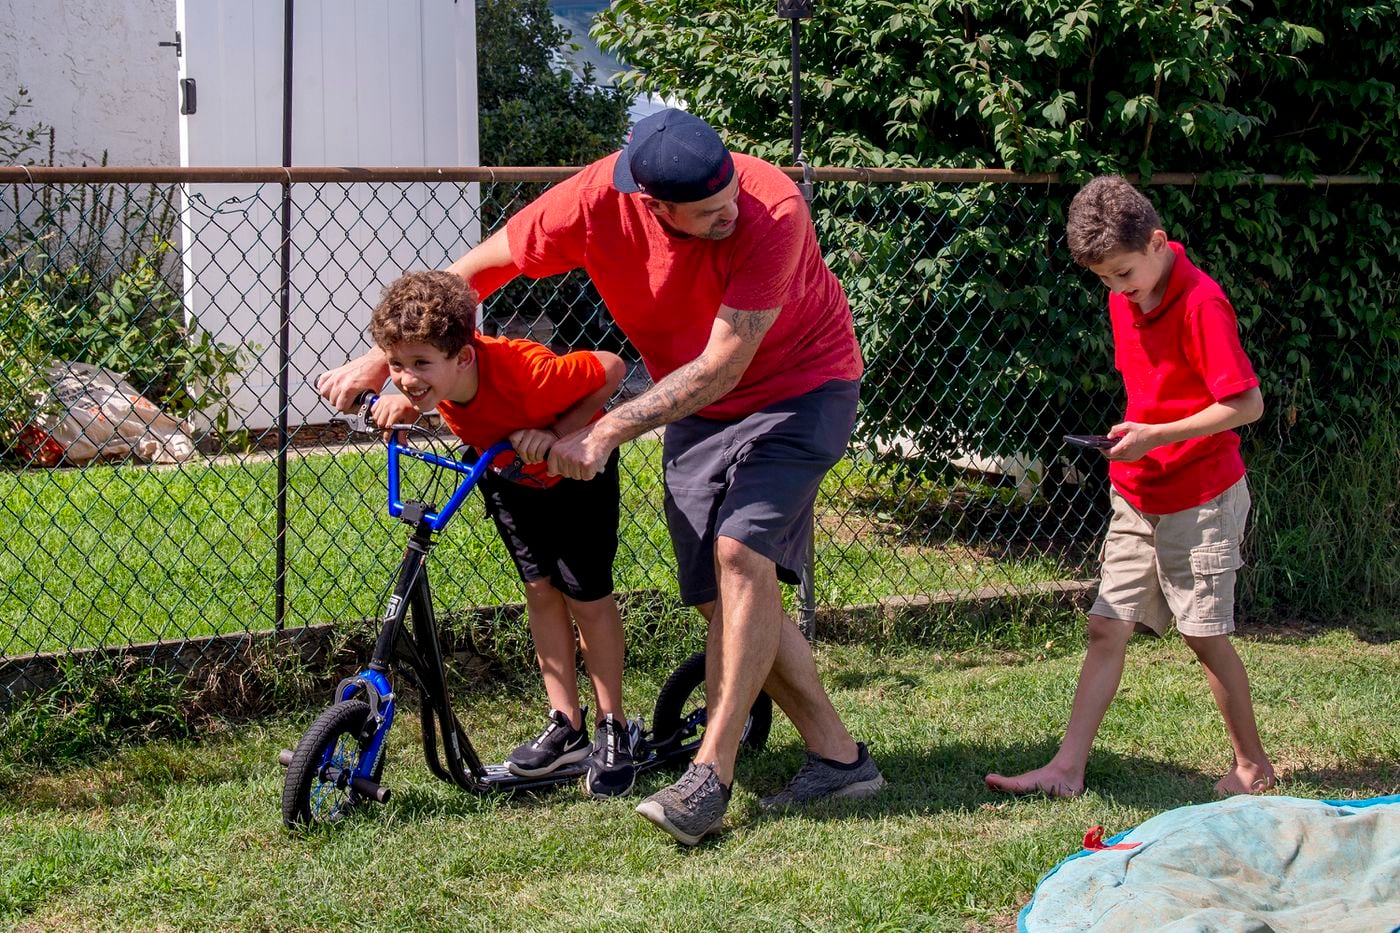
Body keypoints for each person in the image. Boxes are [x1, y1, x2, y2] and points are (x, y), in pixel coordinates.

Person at [318, 108, 884, 845]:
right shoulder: (593, 202)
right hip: (700, 406)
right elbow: (481, 270)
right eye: (709, 215)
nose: (729, 215)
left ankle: (709, 775)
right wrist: (381, 356)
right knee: (724, 603)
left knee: (742, 553)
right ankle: (839, 757)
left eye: (729, 199)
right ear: (652, 207)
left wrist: (606, 428)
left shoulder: (771, 205)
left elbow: (725, 363)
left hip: (801, 387)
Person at [985, 175, 1276, 799]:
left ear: (1158, 243)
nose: (1118, 291)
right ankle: (1067, 768)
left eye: (1123, 274)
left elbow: (1246, 404)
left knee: (1203, 633)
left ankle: (1252, 765)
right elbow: (1152, 398)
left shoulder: (1203, 303)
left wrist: (1159, 436)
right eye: (1105, 280)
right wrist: (1137, 443)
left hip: (1201, 496)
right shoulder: (1126, 297)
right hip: (1136, 490)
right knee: (1106, 624)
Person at [359, 269, 636, 798]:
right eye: (395, 364)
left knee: (587, 598)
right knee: (539, 590)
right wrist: (403, 394)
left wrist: (560, 435)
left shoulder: (527, 372)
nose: (406, 376)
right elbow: (433, 393)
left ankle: (612, 725)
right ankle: (567, 724)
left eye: (420, 365)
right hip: (509, 473)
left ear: (464, 356)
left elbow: (611, 367)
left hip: (575, 473)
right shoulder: (433, 381)